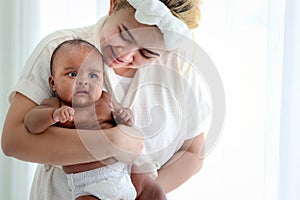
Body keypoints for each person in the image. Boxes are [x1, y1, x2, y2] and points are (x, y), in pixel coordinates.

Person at [1, 0, 211, 199]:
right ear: (112, 4)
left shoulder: (181, 70)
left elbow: (193, 152)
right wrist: (111, 142)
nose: (126, 55)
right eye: (124, 35)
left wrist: (138, 191)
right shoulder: (61, 50)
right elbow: (14, 140)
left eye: (147, 54)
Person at [24, 38, 161, 200]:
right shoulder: (55, 105)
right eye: (72, 74)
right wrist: (52, 116)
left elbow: (125, 121)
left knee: (153, 190)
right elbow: (30, 123)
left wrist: (125, 116)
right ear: (53, 83)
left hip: (124, 172)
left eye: (92, 75)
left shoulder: (106, 99)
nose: (83, 82)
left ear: (102, 80)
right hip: (88, 184)